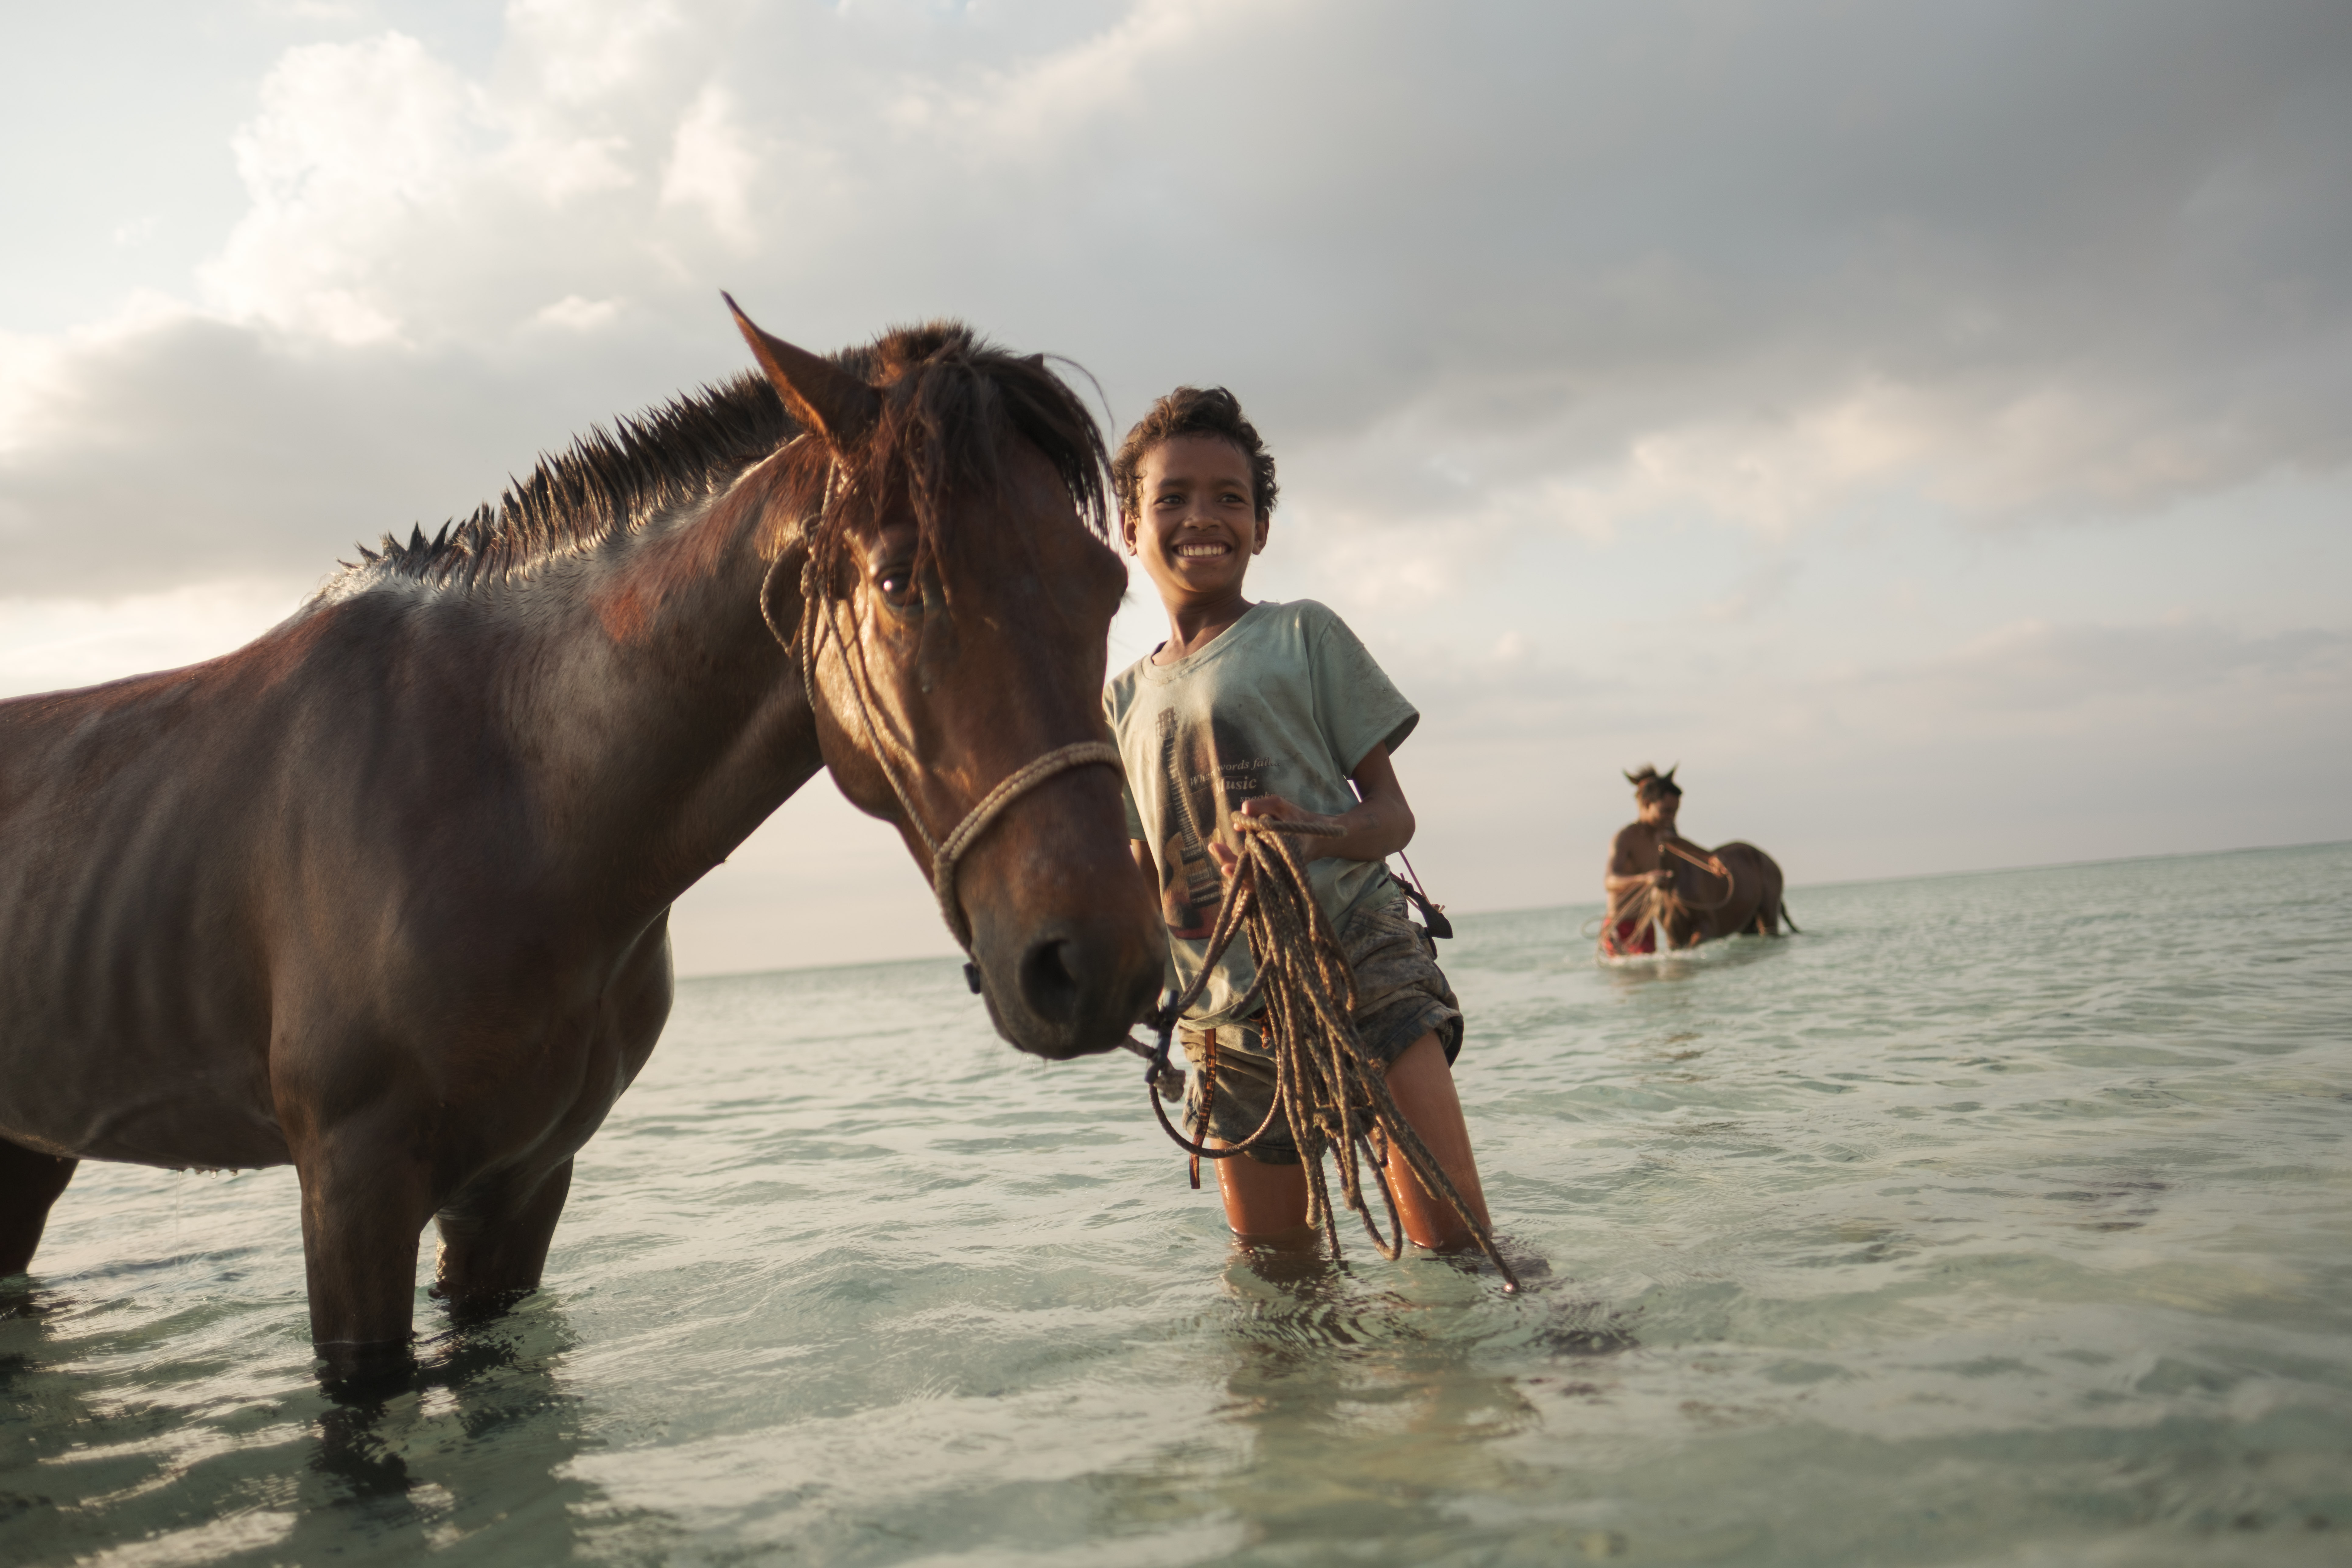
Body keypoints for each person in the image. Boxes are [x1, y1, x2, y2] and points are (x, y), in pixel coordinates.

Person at [1102, 386, 1492, 1252]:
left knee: (1457, 1249)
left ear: (1262, 528)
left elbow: (1392, 817)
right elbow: (1140, 876)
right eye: (1172, 497)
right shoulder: (1119, 701)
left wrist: (1314, 832)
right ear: (1130, 527)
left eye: (1230, 498)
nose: (1203, 517)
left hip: (1357, 962)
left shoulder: (1303, 635)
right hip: (1221, 1018)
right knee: (1277, 1290)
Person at [1601, 764, 1693, 956]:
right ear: (1647, 803)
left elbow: (1685, 846)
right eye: (1666, 811)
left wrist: (1711, 859)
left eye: (1675, 812)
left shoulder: (1662, 836)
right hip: (1621, 925)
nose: (1671, 818)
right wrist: (1645, 880)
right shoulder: (1626, 837)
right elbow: (1609, 882)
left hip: (1646, 925)